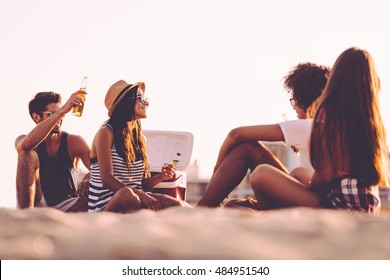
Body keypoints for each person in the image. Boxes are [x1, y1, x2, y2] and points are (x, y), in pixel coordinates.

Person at [249, 47, 389, 214]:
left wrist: (309, 187)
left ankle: (273, 216)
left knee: (260, 174)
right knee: (298, 173)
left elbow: (325, 176)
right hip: (368, 205)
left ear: (336, 77)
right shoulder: (372, 123)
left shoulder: (328, 113)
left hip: (339, 204)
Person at [197, 62, 330, 208]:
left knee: (247, 149)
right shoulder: (331, 125)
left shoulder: (308, 125)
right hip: (312, 193)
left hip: (310, 199)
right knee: (233, 205)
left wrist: (217, 170)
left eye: (294, 101)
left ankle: (201, 209)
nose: (294, 108)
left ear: (304, 100)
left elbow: (235, 134)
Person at [88, 80, 191, 213]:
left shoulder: (139, 138)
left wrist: (161, 177)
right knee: (128, 195)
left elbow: (140, 184)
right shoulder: (106, 132)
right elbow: (107, 179)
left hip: (135, 198)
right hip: (104, 206)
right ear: (126, 102)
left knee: (175, 204)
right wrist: (142, 195)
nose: (146, 102)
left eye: (145, 98)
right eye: (141, 98)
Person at [15, 91, 90, 212]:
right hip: (38, 204)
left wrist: (88, 177)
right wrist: (62, 111)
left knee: (92, 201)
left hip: (69, 204)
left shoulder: (75, 142)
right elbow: (25, 146)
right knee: (26, 153)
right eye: (53, 114)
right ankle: (26, 218)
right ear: (36, 117)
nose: (60, 118)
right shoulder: (24, 140)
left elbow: (99, 169)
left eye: (61, 113)